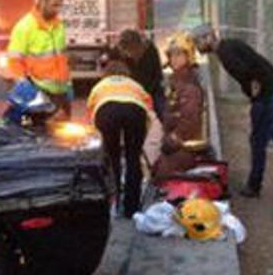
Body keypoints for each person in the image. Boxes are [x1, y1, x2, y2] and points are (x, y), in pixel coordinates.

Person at [191, 24, 273, 197]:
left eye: (198, 42)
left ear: (208, 38)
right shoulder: (229, 45)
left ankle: (254, 185)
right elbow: (257, 61)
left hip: (266, 96)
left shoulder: (225, 53)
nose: (198, 47)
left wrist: (254, 82)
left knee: (258, 141)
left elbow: (249, 69)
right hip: (271, 90)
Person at [86, 61, 154, 218]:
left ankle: (114, 203)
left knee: (111, 159)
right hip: (135, 111)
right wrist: (140, 138)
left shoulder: (100, 85)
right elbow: (148, 109)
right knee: (133, 159)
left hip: (106, 111)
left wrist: (100, 136)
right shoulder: (134, 84)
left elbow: (91, 112)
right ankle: (132, 208)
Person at [6, 0, 71, 119]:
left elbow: (61, 59)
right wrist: (25, 89)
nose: (57, 10)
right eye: (54, 5)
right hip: (39, 94)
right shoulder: (25, 27)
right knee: (41, 135)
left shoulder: (59, 26)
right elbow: (14, 61)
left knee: (63, 137)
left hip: (60, 95)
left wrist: (68, 87)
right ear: (42, 1)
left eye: (59, 6)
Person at [152, 32, 206, 178]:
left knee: (164, 181)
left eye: (179, 55)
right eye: (172, 55)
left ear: (189, 57)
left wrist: (173, 139)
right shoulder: (177, 83)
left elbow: (190, 120)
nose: (174, 59)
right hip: (177, 148)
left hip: (185, 151)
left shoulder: (189, 87)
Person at [106, 29, 165, 122]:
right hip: (128, 89)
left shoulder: (150, 50)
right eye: (126, 51)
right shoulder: (116, 53)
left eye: (132, 50)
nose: (129, 54)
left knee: (161, 105)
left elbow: (157, 75)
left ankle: (167, 126)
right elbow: (111, 76)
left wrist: (146, 95)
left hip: (151, 88)